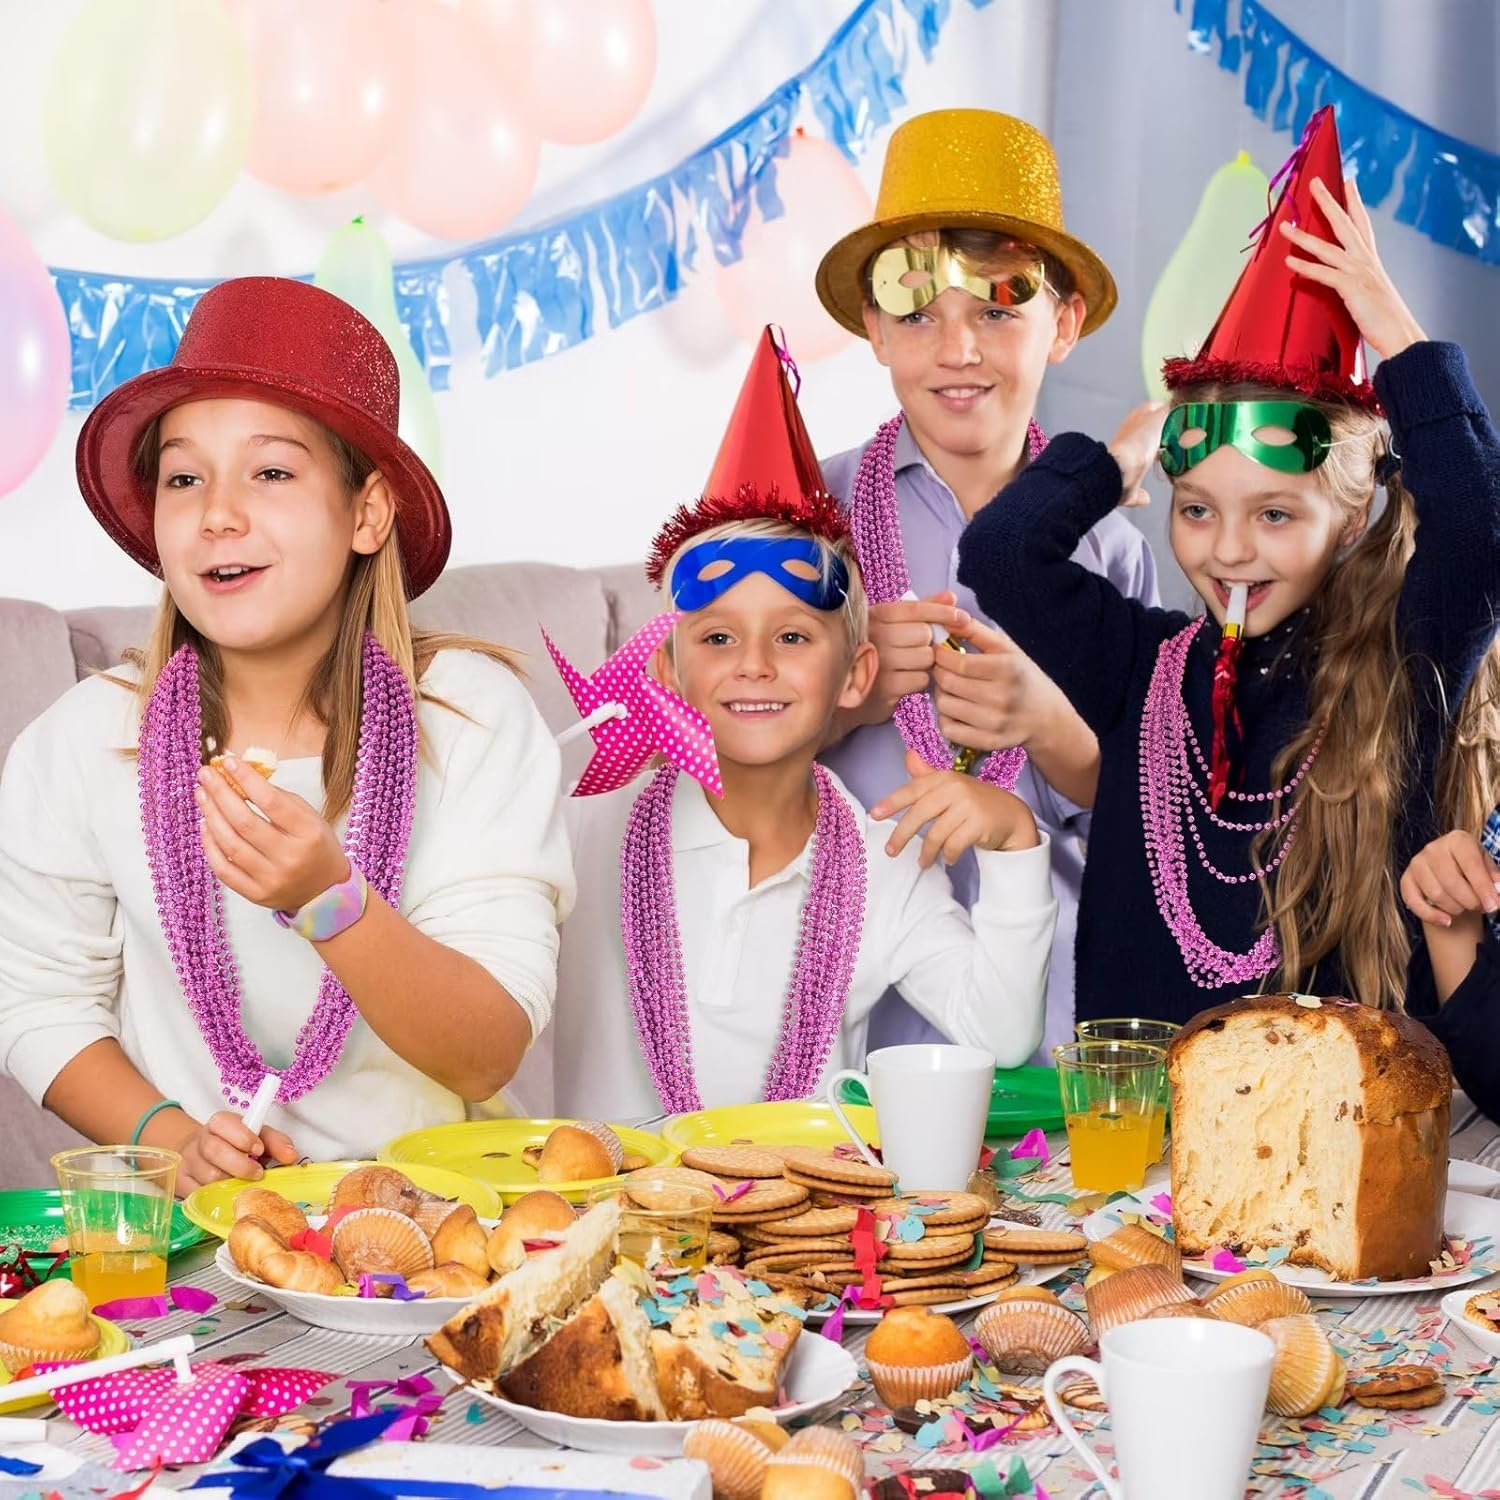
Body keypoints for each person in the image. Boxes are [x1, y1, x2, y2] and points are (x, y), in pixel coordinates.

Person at [0, 278, 573, 1192]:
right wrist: (172, 1139)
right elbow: (40, 1002)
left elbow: (486, 1052)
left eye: (270, 472)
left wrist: (330, 902)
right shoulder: (85, 740)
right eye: (184, 478)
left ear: (366, 513)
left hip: (426, 1224)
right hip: (194, 1241)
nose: (218, 513)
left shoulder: (468, 716)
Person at [955, 106, 1500, 1026]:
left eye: (1274, 514)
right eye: (1197, 509)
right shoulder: (1140, 665)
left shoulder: (1407, 663)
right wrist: (1116, 462)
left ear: (1351, 517)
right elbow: (1003, 553)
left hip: (1335, 1112)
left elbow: (1481, 527)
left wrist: (1397, 334)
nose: (1230, 549)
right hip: (1140, 1114)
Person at [549, 330, 1056, 1119]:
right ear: (668, 671)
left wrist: (1015, 840)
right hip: (613, 1196)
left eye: (791, 637)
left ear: (855, 676)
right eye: (718, 638)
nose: (754, 664)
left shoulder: (885, 862)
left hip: (803, 1196)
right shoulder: (584, 829)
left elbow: (1000, 1031)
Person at [815, 108, 1157, 1057]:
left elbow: (1142, 806)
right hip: (855, 1006)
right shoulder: (809, 515)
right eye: (917, 313)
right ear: (875, 329)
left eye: (998, 311)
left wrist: (1045, 721)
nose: (958, 350)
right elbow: (719, 739)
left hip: (1055, 1005)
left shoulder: (1111, 549)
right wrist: (846, 694)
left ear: (1064, 323)